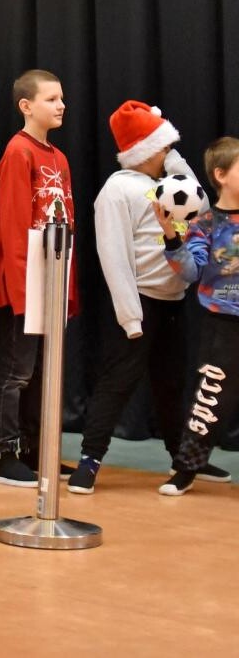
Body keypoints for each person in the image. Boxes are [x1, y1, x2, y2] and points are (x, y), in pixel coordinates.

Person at [70, 102, 229, 493]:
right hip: (136, 304)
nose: (168, 152)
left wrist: (177, 162)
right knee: (117, 382)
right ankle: (89, 461)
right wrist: (129, 315)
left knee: (172, 383)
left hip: (172, 302)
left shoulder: (170, 184)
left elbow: (203, 209)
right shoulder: (117, 189)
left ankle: (184, 460)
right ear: (145, 149)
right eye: (163, 146)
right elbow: (113, 254)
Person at [0, 69, 77, 487]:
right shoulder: (18, 153)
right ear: (26, 106)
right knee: (16, 371)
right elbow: (13, 226)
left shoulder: (58, 158)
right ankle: (5, 452)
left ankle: (37, 450)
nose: (61, 105)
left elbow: (65, 225)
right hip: (27, 286)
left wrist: (66, 286)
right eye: (51, 99)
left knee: (43, 373)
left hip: (52, 281)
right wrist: (23, 290)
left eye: (61, 98)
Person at [155, 136, 239, 496]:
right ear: (220, 174)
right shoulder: (206, 223)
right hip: (222, 323)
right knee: (211, 398)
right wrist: (171, 239)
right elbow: (190, 271)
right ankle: (186, 469)